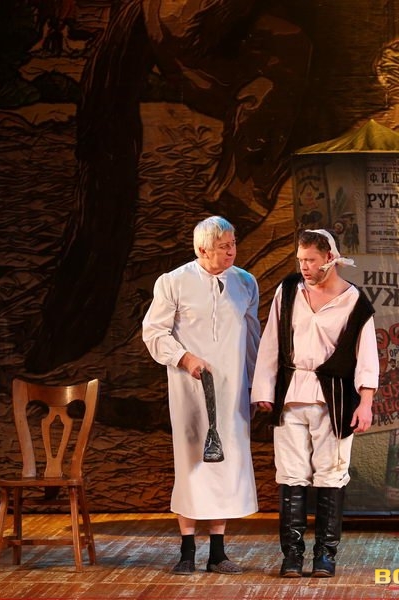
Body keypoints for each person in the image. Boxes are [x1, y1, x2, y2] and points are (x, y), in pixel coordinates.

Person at [252, 229, 379, 578]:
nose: (304, 267)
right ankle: (292, 555)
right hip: (292, 394)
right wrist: (264, 388)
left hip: (333, 398)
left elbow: (367, 355)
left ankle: (325, 555)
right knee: (290, 474)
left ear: (329, 259)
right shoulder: (289, 291)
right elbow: (272, 340)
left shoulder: (354, 302)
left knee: (331, 473)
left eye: (310, 260)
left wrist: (365, 402)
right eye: (300, 260)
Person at [142, 216, 261, 575]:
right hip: (191, 389)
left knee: (226, 464)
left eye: (233, 243)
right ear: (201, 249)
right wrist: (185, 357)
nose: (232, 250)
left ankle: (218, 553)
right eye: (223, 245)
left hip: (232, 388)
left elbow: (252, 337)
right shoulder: (174, 282)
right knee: (192, 463)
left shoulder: (245, 282)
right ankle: (187, 550)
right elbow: (154, 332)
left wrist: (256, 386)